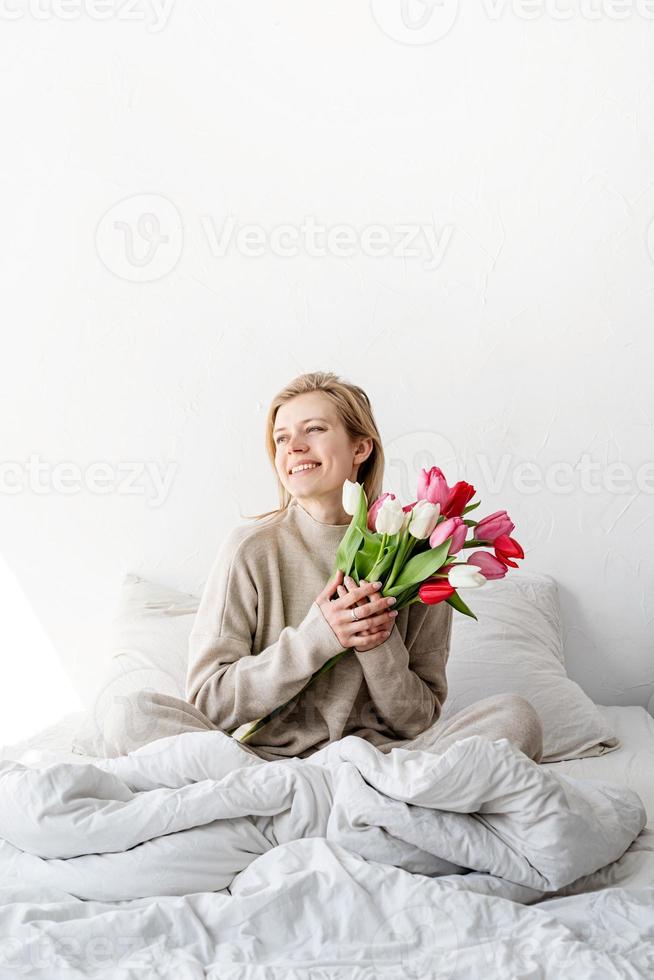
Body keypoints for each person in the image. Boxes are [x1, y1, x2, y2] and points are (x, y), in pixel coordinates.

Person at [103, 371, 543, 765]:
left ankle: (310, 807)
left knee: (516, 719)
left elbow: (417, 720)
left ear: (361, 448)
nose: (293, 447)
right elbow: (209, 704)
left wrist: (378, 643)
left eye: (314, 429)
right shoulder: (251, 550)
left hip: (385, 761)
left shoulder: (421, 554)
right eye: (281, 437)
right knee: (131, 716)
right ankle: (335, 805)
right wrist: (319, 638)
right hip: (262, 761)